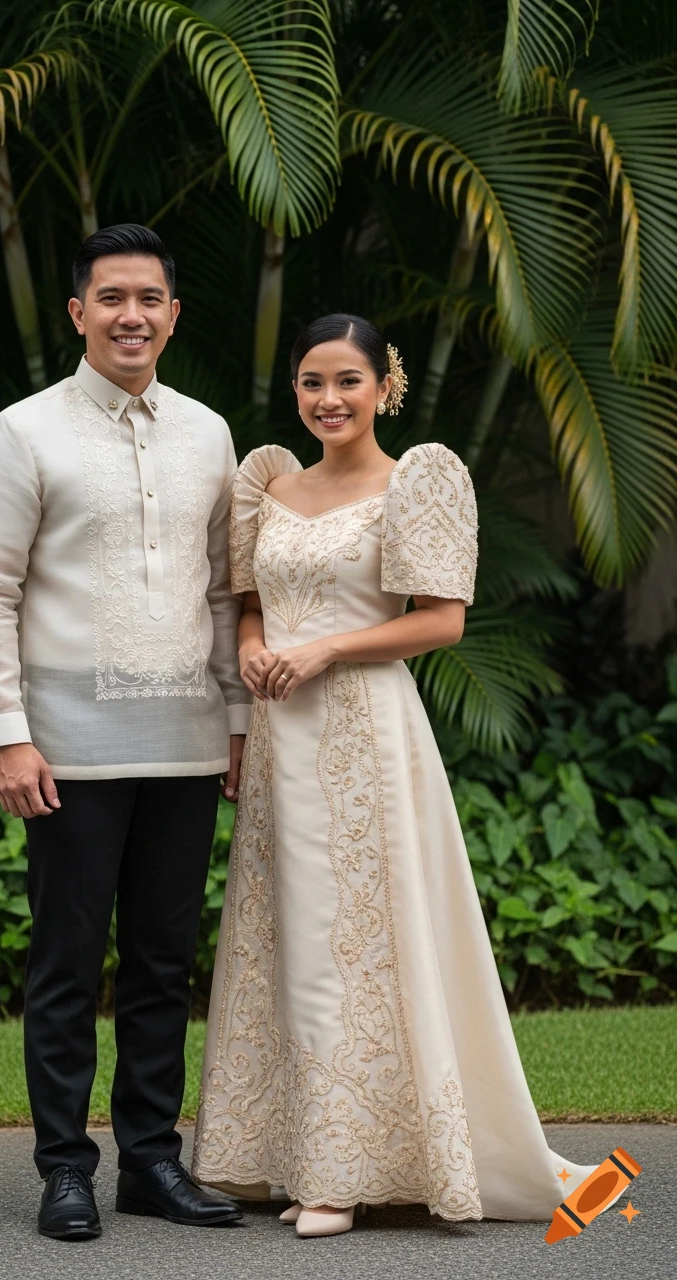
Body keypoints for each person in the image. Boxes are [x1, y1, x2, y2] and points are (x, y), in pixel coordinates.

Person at [191, 313, 601, 1237]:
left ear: (385, 386)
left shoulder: (416, 482)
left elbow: (441, 621)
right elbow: (249, 608)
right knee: (288, 938)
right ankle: (289, 1153)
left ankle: (349, 1170)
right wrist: (256, 651)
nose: (327, 400)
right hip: (279, 732)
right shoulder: (269, 485)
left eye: (346, 381)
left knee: (365, 941)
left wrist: (327, 649)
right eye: (310, 382)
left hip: (366, 732)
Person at [0, 224, 249, 1239]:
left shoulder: (208, 433)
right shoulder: (22, 433)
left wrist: (237, 720)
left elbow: (221, 590)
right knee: (68, 962)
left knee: (164, 963)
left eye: (150, 298)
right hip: (67, 745)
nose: (132, 314)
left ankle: (151, 1160)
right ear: (77, 311)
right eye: (111, 297)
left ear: (173, 312)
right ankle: (64, 1168)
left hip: (185, 741)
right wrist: (7, 730)